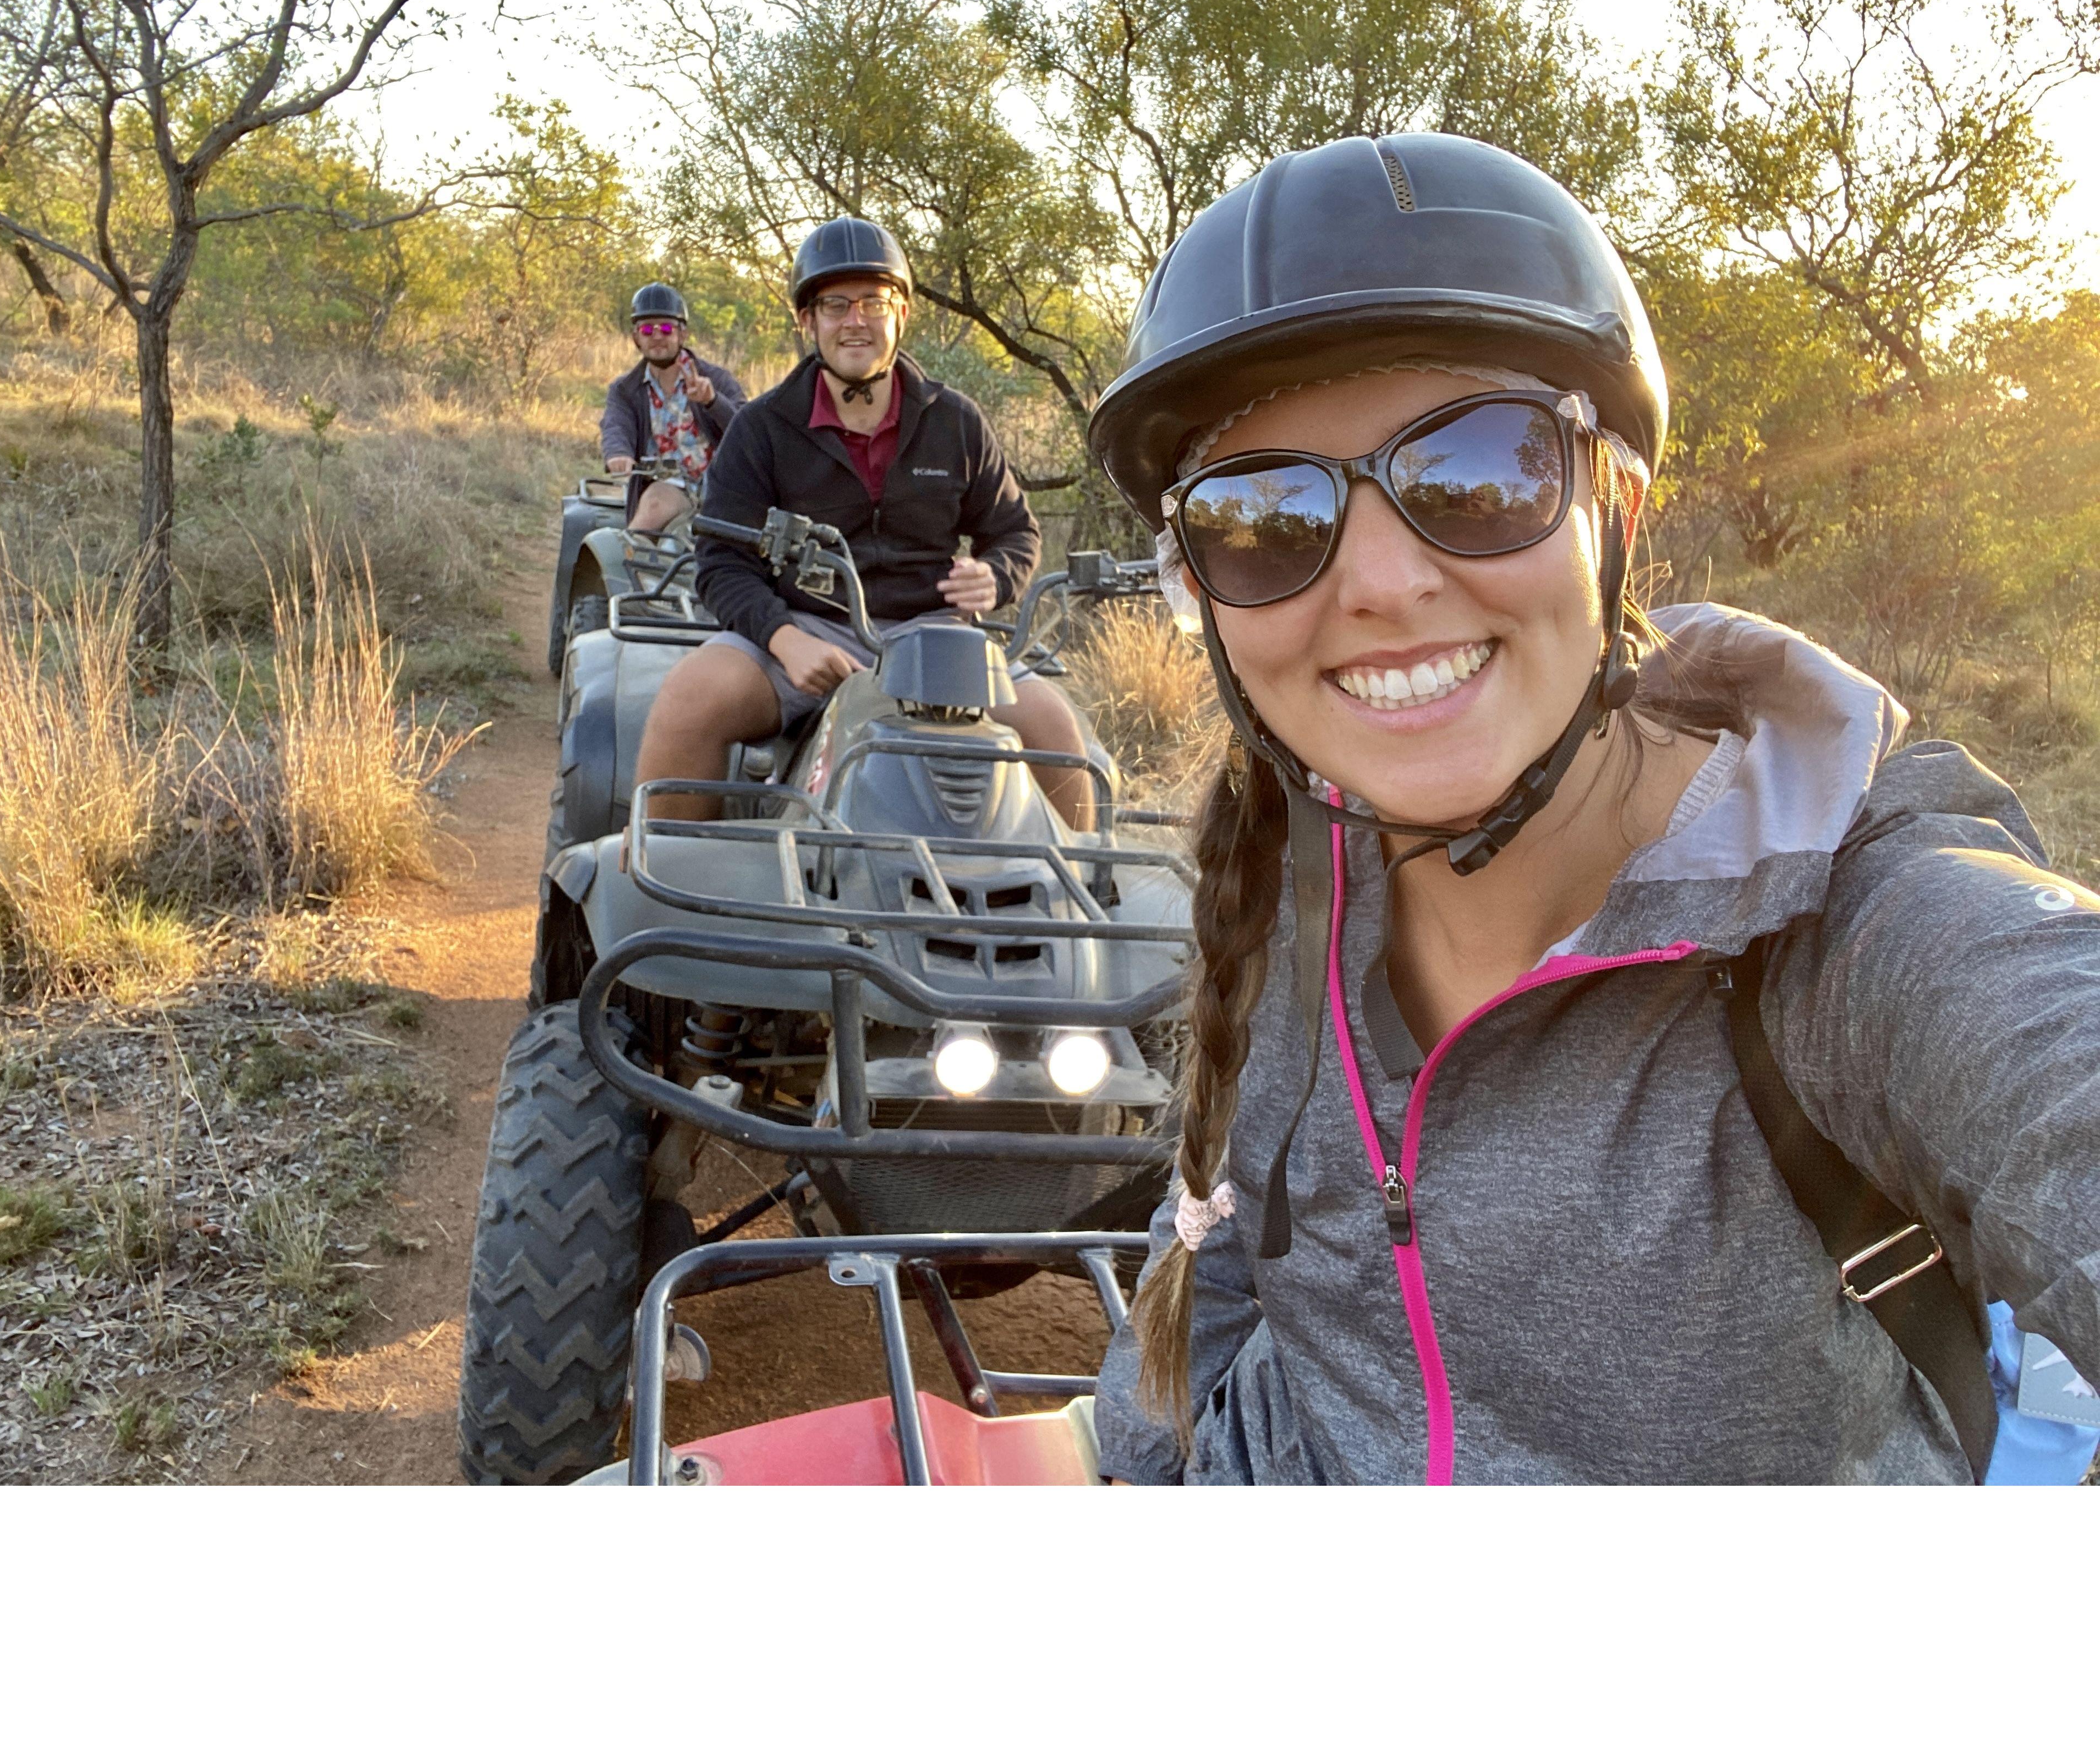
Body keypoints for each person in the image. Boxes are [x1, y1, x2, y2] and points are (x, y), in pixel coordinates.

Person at [1083, 131, 2100, 1485]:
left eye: (1478, 475)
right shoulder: (1280, 880)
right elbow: (1196, 1291)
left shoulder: (1845, 934)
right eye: (1264, 519)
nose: (1380, 581)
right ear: (1201, 591)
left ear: (1611, 501)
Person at [636, 215, 1092, 826]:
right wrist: (782, 637)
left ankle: (1068, 903)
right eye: (836, 304)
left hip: (936, 639)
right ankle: (675, 887)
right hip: (804, 629)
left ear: (901, 314)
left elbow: (1015, 532)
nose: (856, 321)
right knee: (691, 697)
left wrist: (996, 575)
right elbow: (721, 562)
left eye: (875, 302)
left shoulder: (955, 421)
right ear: (808, 321)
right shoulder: (762, 429)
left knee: (1053, 724)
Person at [597, 282, 746, 535]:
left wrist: (713, 402)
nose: (657, 336)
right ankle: (626, 565)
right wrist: (618, 454)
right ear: (636, 338)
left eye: (666, 328)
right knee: (654, 507)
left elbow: (748, 432)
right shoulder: (625, 390)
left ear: (682, 334)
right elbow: (616, 425)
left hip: (724, 491)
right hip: (669, 489)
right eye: (647, 329)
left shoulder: (717, 380)